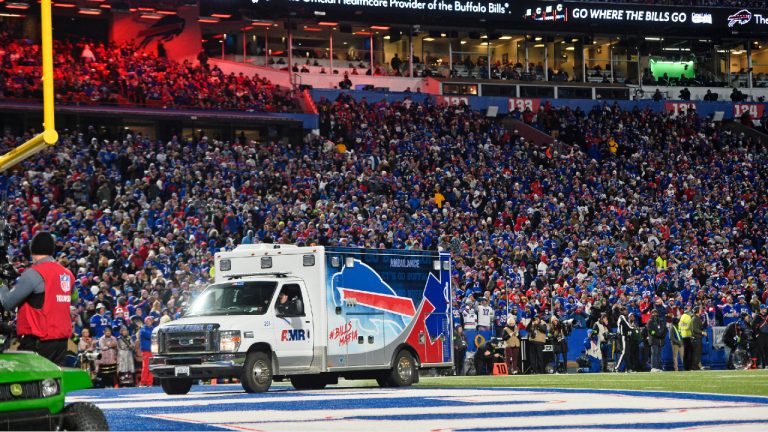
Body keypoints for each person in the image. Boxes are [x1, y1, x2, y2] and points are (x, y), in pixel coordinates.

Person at [0, 232, 75, 365]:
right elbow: (74, 298)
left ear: (32, 250)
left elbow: (7, 303)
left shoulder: (34, 273)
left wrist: (2, 284)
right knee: (54, 378)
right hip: (62, 343)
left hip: (38, 342)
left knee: (30, 378)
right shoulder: (67, 274)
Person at [615, 307, 633, 372]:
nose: (626, 311)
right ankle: (617, 367)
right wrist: (633, 328)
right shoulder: (622, 317)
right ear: (622, 311)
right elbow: (628, 326)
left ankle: (628, 368)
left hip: (625, 336)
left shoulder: (625, 318)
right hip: (622, 336)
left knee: (627, 353)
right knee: (624, 352)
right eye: (625, 310)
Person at [138, 317, 154, 387]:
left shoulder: (153, 328)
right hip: (146, 351)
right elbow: (149, 335)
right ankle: (143, 382)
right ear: (145, 321)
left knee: (151, 367)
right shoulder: (143, 329)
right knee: (145, 367)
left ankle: (149, 383)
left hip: (152, 350)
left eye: (150, 320)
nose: (148, 322)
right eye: (147, 320)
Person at [679, 306, 693, 371]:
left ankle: (685, 367)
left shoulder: (682, 316)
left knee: (686, 352)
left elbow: (680, 327)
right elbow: (689, 326)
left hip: (683, 335)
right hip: (687, 335)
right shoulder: (688, 317)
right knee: (689, 352)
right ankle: (689, 367)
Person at [690, 306, 704, 370]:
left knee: (698, 353)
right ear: (697, 311)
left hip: (698, 337)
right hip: (696, 338)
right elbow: (695, 329)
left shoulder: (697, 318)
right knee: (696, 353)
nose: (701, 311)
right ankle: (694, 366)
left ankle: (696, 365)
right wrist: (702, 332)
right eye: (700, 310)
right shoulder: (695, 319)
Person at [755, 305, 768, 369]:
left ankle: (767, 364)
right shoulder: (757, 316)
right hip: (760, 335)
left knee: (767, 350)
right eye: (765, 308)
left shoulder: (767, 316)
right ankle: (763, 365)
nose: (766, 309)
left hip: (767, 335)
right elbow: (753, 325)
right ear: (761, 309)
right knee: (761, 351)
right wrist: (756, 333)